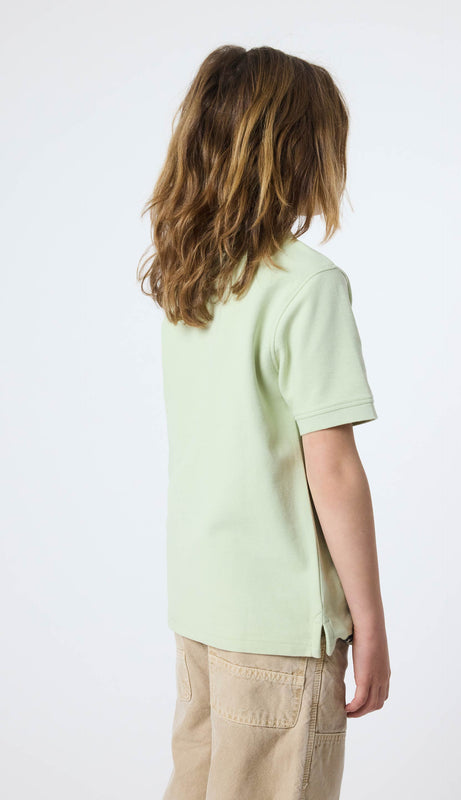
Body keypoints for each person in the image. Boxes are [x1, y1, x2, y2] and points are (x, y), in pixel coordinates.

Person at [138, 44, 391, 800]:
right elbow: (332, 467)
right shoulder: (307, 285)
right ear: (300, 151)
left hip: (203, 609)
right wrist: (370, 624)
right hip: (281, 628)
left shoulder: (192, 277)